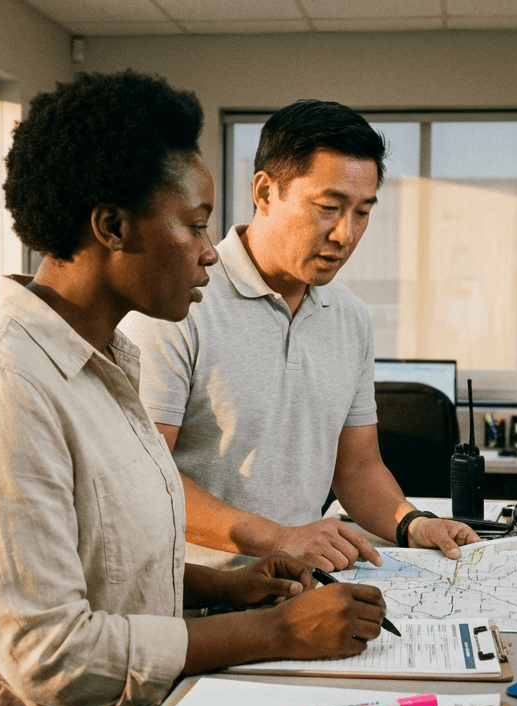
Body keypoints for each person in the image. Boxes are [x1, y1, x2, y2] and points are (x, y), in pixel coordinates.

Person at [0, 71, 387, 706]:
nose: (208, 251)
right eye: (196, 225)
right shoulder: (3, 385)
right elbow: (52, 655)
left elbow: (107, 562)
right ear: (111, 225)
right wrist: (274, 629)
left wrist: (227, 585)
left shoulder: (107, 363)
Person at [120, 100, 480, 572]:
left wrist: (411, 522)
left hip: (301, 586)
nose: (345, 235)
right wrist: (279, 539)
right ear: (266, 192)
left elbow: (357, 468)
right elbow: (147, 478)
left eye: (363, 212)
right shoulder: (175, 305)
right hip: (196, 597)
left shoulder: (349, 317)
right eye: (329, 208)